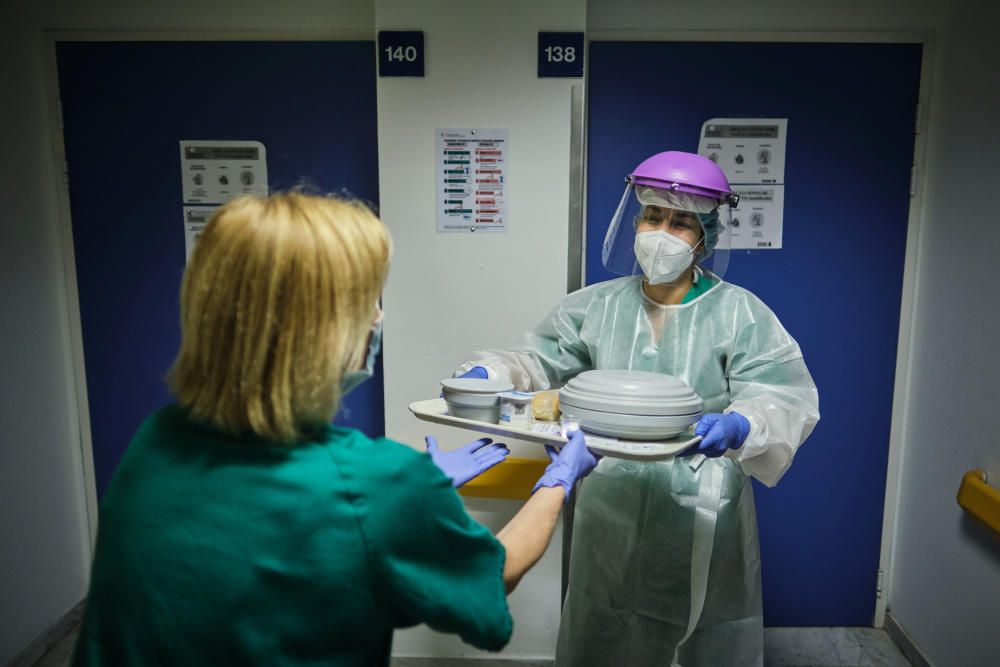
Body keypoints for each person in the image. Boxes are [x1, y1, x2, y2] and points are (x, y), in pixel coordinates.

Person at [73, 192, 600, 666]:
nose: (378, 315)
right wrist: (556, 482)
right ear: (322, 332)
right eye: (368, 299)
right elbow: (489, 583)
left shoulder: (155, 440)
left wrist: (402, 493)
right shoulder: (373, 484)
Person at [454, 152, 820, 666]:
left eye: (681, 221)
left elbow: (785, 393)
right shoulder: (597, 307)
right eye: (653, 216)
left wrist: (744, 423)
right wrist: (487, 374)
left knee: (704, 629)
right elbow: (535, 357)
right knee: (603, 620)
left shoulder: (741, 313)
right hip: (612, 501)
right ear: (635, 220)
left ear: (706, 235)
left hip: (700, 508)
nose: (662, 232)